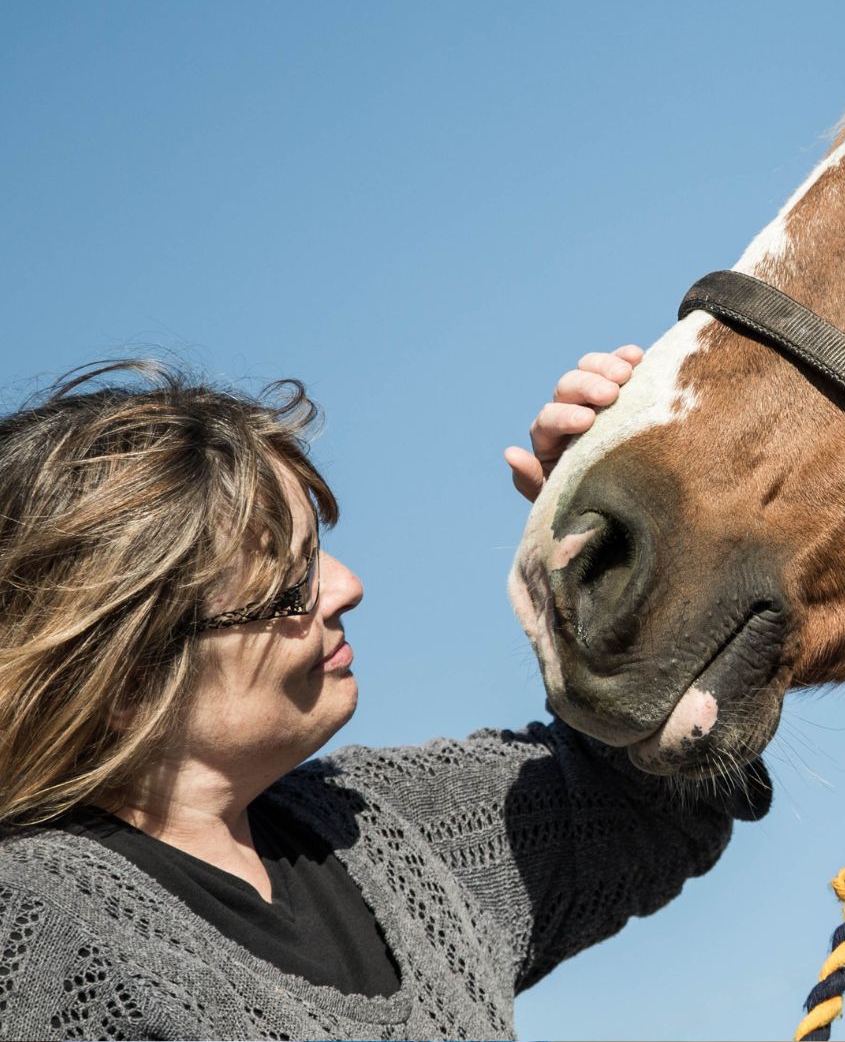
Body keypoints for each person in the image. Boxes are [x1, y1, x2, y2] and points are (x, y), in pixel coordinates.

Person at [0, 346, 761, 1041]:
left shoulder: (390, 830)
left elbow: (659, 792)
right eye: (286, 585)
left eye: (319, 552)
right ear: (131, 675)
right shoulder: (37, 936)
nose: (347, 587)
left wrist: (628, 533)